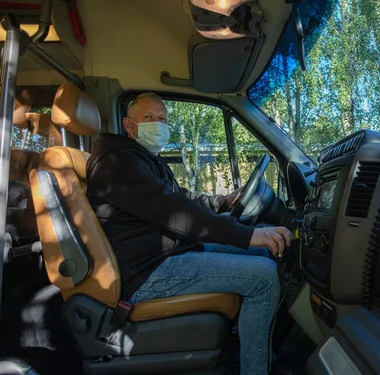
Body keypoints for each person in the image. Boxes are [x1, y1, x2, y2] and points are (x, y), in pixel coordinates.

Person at [86, 92, 292, 375]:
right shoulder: (117, 164)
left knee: (260, 250)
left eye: (162, 119)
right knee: (265, 277)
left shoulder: (141, 159)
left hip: (167, 252)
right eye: (148, 117)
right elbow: (173, 209)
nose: (157, 124)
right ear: (129, 125)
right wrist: (245, 235)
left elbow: (183, 198)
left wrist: (224, 202)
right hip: (149, 271)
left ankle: (252, 349)